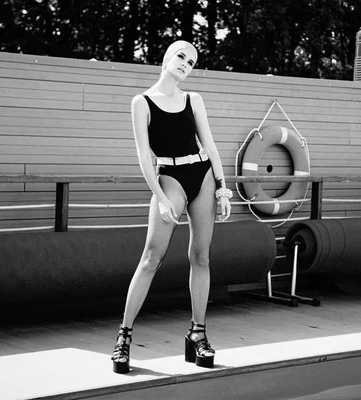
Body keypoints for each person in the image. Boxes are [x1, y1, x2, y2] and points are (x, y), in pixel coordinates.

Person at [111, 40, 233, 374]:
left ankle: (198, 334)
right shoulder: (142, 102)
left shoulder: (194, 99)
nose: (185, 64)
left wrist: (222, 188)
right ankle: (123, 339)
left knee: (201, 257)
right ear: (167, 57)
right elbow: (143, 155)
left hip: (202, 174)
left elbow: (210, 144)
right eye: (181, 56)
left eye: (191, 62)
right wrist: (161, 196)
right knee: (151, 257)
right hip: (170, 177)